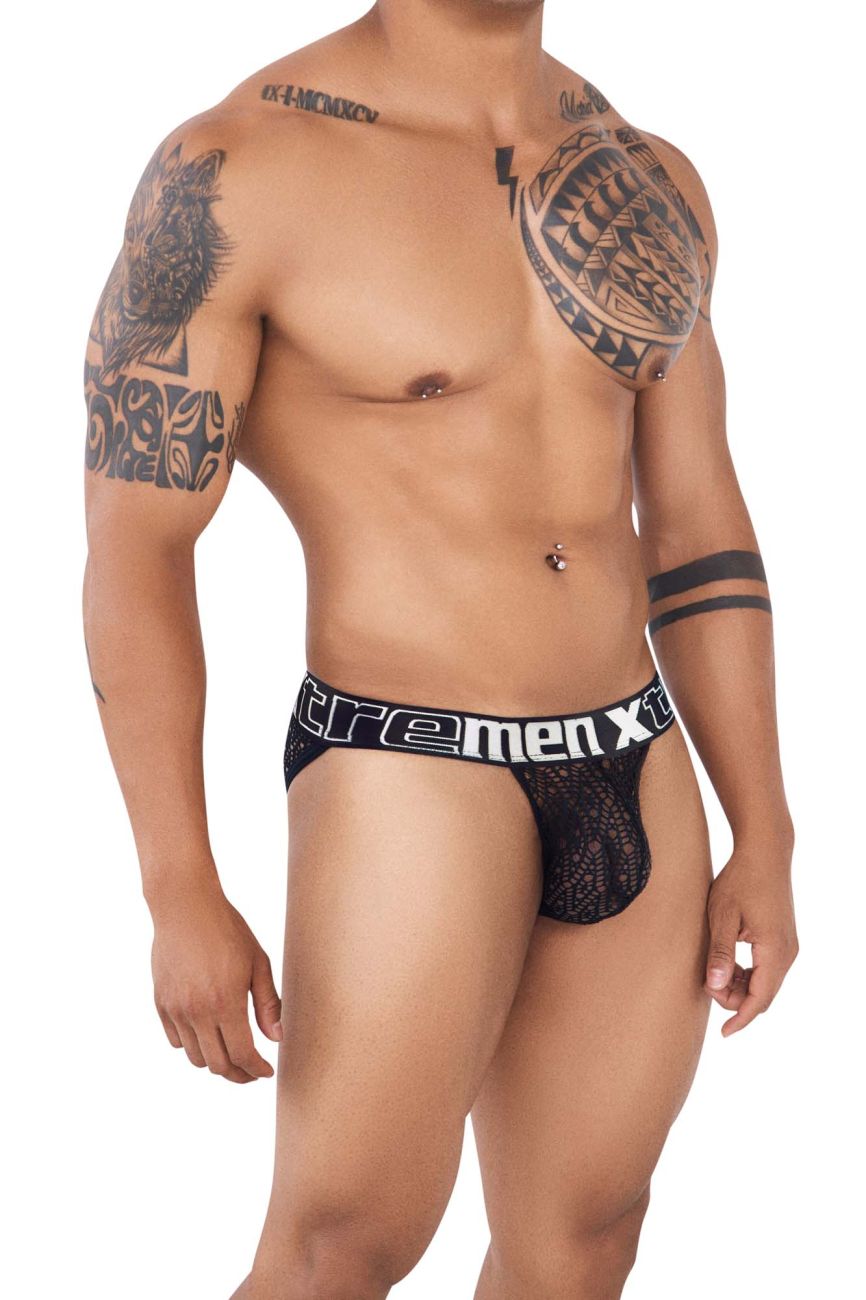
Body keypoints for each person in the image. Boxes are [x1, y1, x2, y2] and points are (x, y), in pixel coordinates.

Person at [81, 1, 798, 1296]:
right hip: (406, 765)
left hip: (635, 751)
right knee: (340, 1246)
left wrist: (766, 826)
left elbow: (697, 523)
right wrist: (177, 886)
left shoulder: (646, 177)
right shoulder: (240, 169)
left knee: (583, 1241)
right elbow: (137, 548)